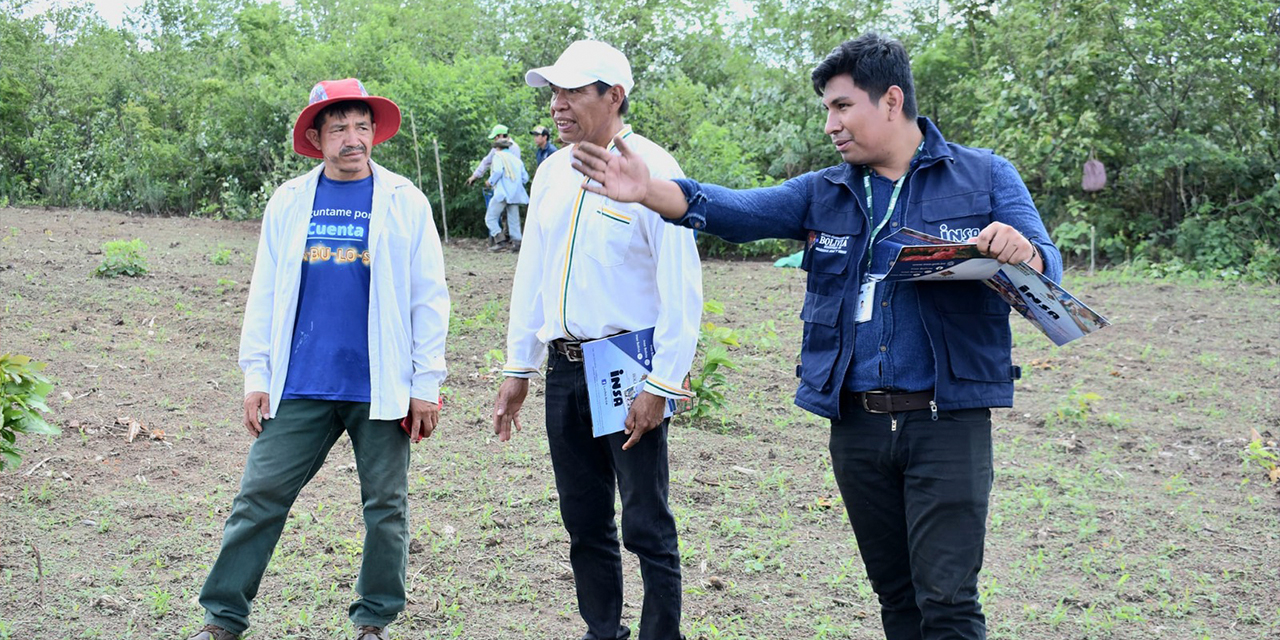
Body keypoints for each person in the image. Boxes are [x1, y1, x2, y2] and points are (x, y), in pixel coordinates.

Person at [571, 32, 1062, 640]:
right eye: (826, 109)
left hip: (946, 423)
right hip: (855, 427)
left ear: (889, 100)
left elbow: (1047, 267)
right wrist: (649, 192)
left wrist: (1025, 253)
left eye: (841, 106)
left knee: (949, 600)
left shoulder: (984, 176)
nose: (830, 123)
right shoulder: (824, 191)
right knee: (896, 594)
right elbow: (735, 210)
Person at [186, 78, 450, 640]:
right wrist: (257, 375)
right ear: (316, 137)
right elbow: (265, 292)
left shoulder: (404, 200)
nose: (353, 140)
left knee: (386, 507)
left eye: (362, 127)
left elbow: (429, 296)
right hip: (301, 380)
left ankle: (373, 620)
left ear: (373, 132)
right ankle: (223, 618)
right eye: (339, 129)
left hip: (380, 383)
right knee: (258, 497)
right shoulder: (289, 201)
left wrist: (426, 381)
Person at [491, 40, 702, 640]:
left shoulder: (657, 172)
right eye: (554, 92)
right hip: (564, 367)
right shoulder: (553, 172)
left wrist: (661, 384)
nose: (557, 105)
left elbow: (682, 290)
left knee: (644, 519)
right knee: (583, 519)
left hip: (627, 363)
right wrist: (518, 368)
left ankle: (663, 633)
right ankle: (601, 630)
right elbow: (532, 275)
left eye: (573, 92)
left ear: (614, 96)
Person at [485, 137, 529, 251]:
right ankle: (517, 243)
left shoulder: (498, 156)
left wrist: (490, 182)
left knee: (490, 218)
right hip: (515, 193)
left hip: (502, 192)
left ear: (497, 148)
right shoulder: (516, 160)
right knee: (513, 219)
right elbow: (525, 178)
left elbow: (498, 171)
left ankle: (500, 240)